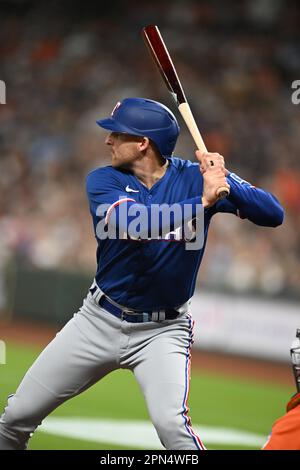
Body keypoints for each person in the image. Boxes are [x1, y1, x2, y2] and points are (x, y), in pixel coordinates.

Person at [0, 97, 284, 450]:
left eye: (116, 134)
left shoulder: (196, 178)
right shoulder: (103, 180)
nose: (108, 141)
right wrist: (204, 202)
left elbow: (274, 214)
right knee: (14, 419)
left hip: (163, 331)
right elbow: (137, 225)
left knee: (172, 429)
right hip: (98, 321)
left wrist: (225, 179)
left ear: (142, 143)